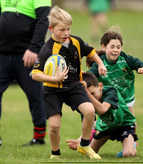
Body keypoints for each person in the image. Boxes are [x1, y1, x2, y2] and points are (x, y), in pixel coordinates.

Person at [31, 6, 107, 159]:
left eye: (68, 29)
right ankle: (55, 153)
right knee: (54, 126)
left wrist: (100, 64)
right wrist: (54, 78)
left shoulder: (76, 41)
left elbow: (90, 51)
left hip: (73, 86)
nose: (66, 33)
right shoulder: (47, 49)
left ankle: (85, 145)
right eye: (62, 30)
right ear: (51, 29)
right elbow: (35, 74)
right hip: (53, 90)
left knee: (90, 111)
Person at [0, 0, 51, 146]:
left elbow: (43, 21)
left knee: (35, 96)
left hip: (27, 56)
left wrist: (34, 49)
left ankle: (39, 137)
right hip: (2, 55)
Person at [66, 72, 138, 157]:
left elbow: (102, 109)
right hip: (106, 127)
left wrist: (87, 93)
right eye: (86, 94)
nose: (90, 97)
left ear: (100, 86)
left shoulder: (110, 91)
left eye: (92, 93)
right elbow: (89, 124)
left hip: (123, 124)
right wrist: (80, 140)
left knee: (128, 153)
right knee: (89, 154)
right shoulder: (87, 102)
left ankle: (131, 145)